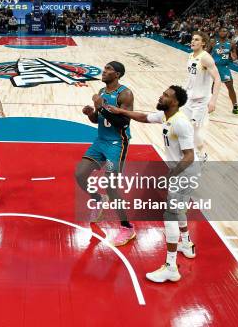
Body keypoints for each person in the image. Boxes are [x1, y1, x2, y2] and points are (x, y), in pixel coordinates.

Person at [104, 85, 198, 283]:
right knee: (178, 211)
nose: (161, 96)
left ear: (174, 102)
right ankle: (187, 244)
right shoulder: (166, 116)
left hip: (184, 172)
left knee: (169, 215)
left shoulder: (180, 123)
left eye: (165, 95)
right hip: (180, 171)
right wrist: (122, 111)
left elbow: (189, 155)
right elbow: (144, 117)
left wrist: (171, 175)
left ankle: (171, 267)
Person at [75, 62, 136, 246]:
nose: (104, 71)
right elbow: (97, 119)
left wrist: (100, 107)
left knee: (111, 185)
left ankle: (127, 227)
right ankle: (98, 199)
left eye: (109, 69)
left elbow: (124, 122)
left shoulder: (125, 94)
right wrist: (90, 113)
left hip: (116, 146)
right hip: (100, 142)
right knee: (80, 174)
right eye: (104, 68)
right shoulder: (102, 92)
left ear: (117, 74)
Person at [184, 31, 221, 161]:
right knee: (185, 128)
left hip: (201, 101)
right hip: (189, 99)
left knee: (194, 130)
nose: (193, 41)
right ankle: (196, 153)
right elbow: (191, 78)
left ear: (203, 43)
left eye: (197, 39)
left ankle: (197, 156)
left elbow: (217, 79)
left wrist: (213, 101)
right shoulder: (190, 55)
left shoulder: (206, 58)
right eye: (192, 39)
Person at [211, 27, 238, 115]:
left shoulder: (231, 43)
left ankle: (235, 108)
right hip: (213, 67)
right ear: (218, 32)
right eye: (221, 30)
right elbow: (206, 53)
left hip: (224, 68)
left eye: (225, 31)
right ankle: (209, 106)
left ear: (227, 33)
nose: (223, 32)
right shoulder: (213, 42)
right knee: (211, 87)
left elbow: (235, 56)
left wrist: (234, 56)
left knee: (230, 87)